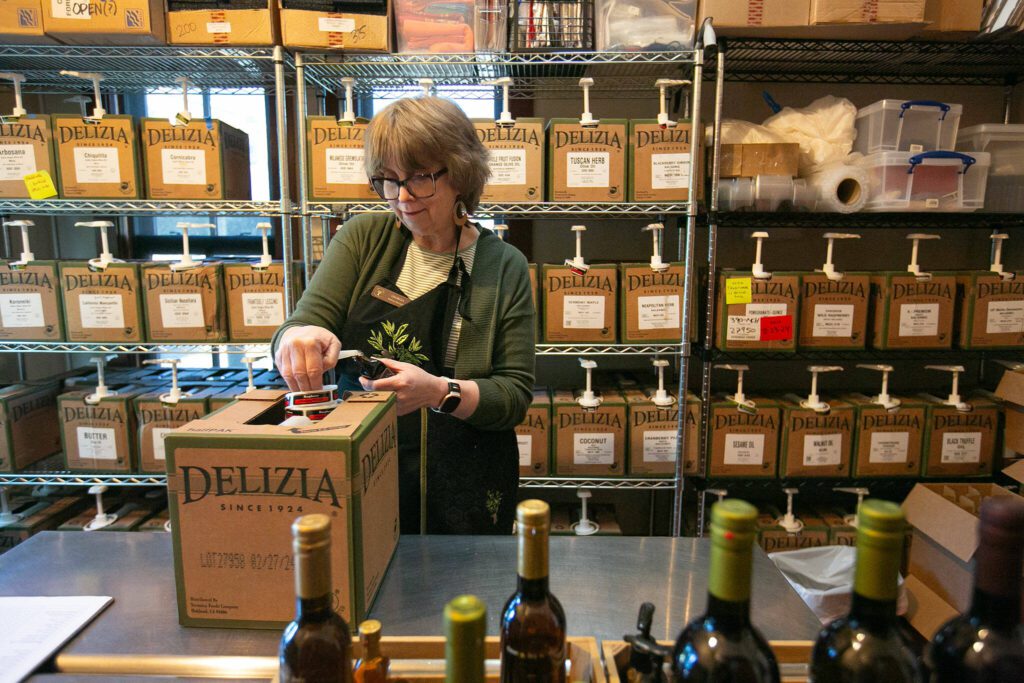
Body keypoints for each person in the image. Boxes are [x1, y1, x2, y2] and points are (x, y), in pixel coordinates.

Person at [272, 96, 535, 535]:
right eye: (388, 181)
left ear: (461, 172)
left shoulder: (502, 265)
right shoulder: (363, 239)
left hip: (464, 480)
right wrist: (297, 340)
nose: (403, 197)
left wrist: (438, 392)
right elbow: (301, 323)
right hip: (362, 467)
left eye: (420, 178)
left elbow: (513, 395)